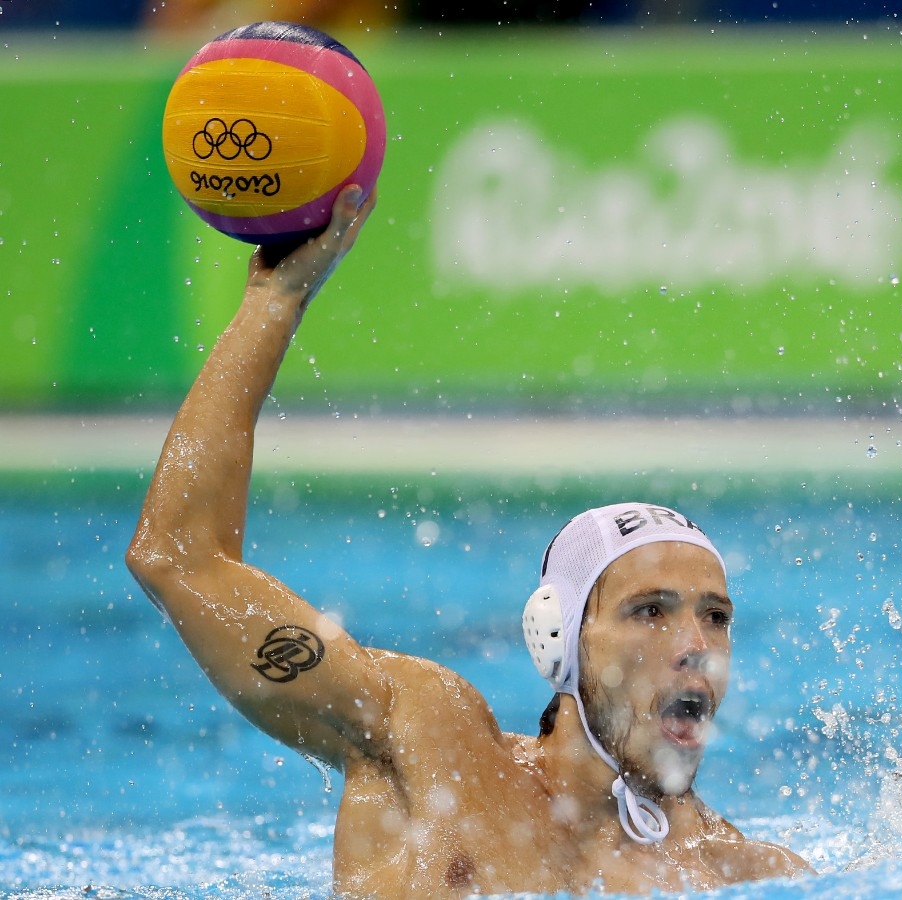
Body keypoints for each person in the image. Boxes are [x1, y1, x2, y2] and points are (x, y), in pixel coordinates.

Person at [125, 185, 811, 897]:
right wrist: (275, 304)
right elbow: (178, 557)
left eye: (716, 616)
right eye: (650, 609)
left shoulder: (737, 872)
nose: (695, 640)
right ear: (558, 641)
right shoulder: (430, 743)